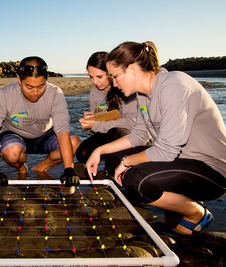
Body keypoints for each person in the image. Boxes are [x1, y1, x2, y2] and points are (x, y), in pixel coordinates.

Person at [86, 41, 226, 237]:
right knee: (114, 158)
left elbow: (166, 150)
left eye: (116, 77)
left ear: (132, 69)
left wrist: (128, 162)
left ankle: (196, 213)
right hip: (180, 160)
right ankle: (172, 203)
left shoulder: (175, 85)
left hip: (211, 171)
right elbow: (139, 135)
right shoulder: (143, 94)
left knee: (136, 179)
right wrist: (99, 151)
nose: (114, 84)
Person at [0, 56, 81, 186]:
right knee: (12, 154)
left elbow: (63, 132)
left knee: (75, 143)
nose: (35, 92)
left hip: (45, 135)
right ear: (19, 79)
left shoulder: (55, 93)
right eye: (29, 87)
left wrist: (69, 168)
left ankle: (41, 167)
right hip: (14, 134)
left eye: (41, 86)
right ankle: (21, 168)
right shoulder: (3, 95)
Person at [76, 52, 139, 171]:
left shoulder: (126, 88)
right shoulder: (94, 93)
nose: (95, 82)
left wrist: (97, 125)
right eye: (91, 77)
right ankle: (103, 169)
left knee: (114, 133)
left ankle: (111, 171)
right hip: (106, 134)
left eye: (99, 77)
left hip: (132, 136)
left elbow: (132, 122)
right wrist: (89, 124)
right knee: (82, 153)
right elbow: (97, 130)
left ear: (111, 73)